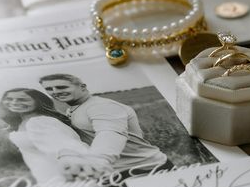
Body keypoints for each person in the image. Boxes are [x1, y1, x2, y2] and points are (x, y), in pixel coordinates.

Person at [39, 74, 169, 179]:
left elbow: (110, 132)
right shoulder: (74, 108)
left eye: (61, 87)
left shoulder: (101, 106)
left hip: (146, 168)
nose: (54, 92)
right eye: (49, 89)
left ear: (82, 87)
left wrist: (98, 160)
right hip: (116, 170)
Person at [0, 88, 91, 184]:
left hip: (65, 178)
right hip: (45, 176)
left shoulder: (39, 122)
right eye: (9, 99)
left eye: (22, 99)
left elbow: (70, 149)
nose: (14, 102)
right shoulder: (21, 122)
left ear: (37, 102)